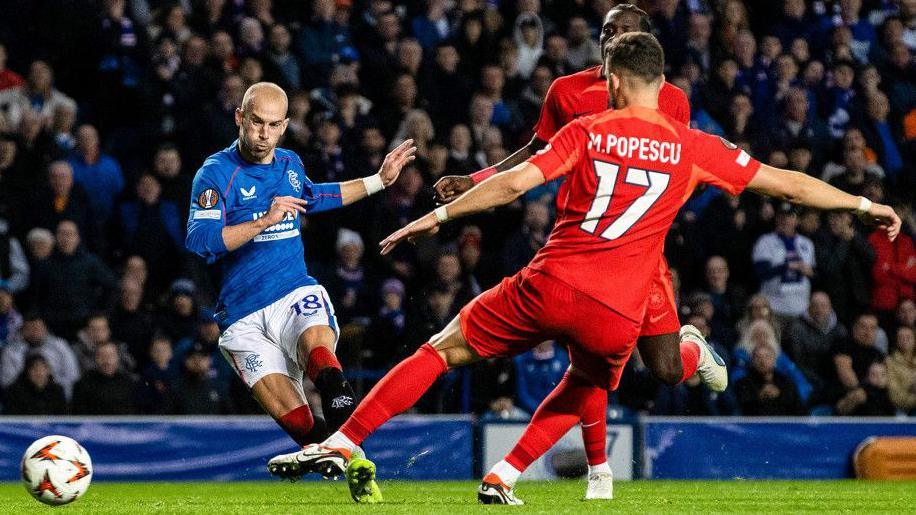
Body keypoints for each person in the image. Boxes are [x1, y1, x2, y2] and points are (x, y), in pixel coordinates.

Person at [272, 32, 900, 504]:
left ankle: (346, 439)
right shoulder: (694, 145)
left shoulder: (589, 129)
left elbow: (514, 184)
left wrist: (434, 220)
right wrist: (864, 202)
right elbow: (784, 184)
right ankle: (524, 463)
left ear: (617, 79)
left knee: (442, 349)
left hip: (551, 284)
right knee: (591, 384)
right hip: (619, 313)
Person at [432, 5, 707, 499]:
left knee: (665, 368)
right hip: (577, 243)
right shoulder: (567, 91)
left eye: (623, 31)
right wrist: (475, 180)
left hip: (640, 253)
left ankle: (695, 351)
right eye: (607, 30)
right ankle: (596, 470)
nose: (612, 38)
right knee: (588, 356)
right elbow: (536, 153)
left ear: (645, 44)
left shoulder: (673, 102)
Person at [184, 82, 415, 504]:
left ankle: (344, 453)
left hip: (293, 292)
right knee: (301, 423)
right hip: (241, 318)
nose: (263, 134)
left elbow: (316, 196)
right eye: (256, 123)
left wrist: (379, 181)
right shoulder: (215, 173)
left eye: (273, 126)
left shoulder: (289, 164)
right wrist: (262, 220)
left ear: (285, 126)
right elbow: (201, 241)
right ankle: (352, 464)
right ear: (240, 117)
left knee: (321, 358)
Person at [734, 343, 806, 416]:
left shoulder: (786, 382)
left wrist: (780, 395)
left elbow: (799, 410)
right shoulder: (743, 383)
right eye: (758, 357)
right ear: (752, 360)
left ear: (774, 359)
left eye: (767, 356)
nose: (762, 361)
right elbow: (741, 409)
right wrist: (760, 397)